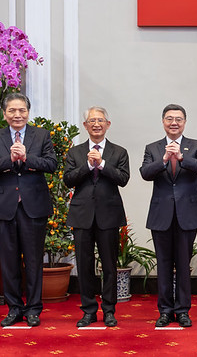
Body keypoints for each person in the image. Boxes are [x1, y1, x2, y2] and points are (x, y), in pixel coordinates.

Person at [0, 92, 57, 328]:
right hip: (6, 208)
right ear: (4, 114)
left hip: (34, 206)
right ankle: (14, 308)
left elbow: (51, 164)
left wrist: (27, 158)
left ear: (28, 112)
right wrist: (9, 159)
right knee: (9, 262)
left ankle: (34, 309)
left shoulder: (41, 135)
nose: (17, 115)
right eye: (12, 111)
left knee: (34, 261)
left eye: (22, 110)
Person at [140, 104, 197, 328]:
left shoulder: (196, 146)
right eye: (169, 118)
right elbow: (144, 173)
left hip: (187, 214)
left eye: (178, 119)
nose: (174, 122)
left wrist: (181, 158)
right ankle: (164, 311)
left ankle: (182, 311)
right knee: (162, 264)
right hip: (161, 214)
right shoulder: (152, 147)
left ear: (184, 123)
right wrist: (163, 160)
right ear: (163, 122)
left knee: (183, 264)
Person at [63, 106, 130, 328]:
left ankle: (109, 310)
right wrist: (87, 165)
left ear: (108, 125)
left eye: (101, 120)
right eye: (92, 121)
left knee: (109, 265)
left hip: (108, 215)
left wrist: (101, 164)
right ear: (85, 126)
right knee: (84, 265)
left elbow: (123, 179)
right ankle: (89, 310)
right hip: (82, 215)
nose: (96, 124)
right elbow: (69, 180)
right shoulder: (75, 152)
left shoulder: (119, 152)